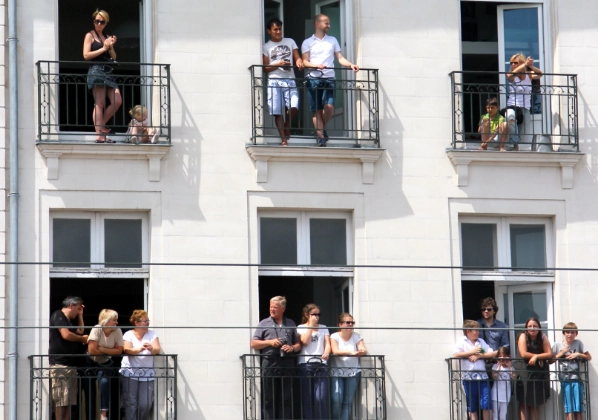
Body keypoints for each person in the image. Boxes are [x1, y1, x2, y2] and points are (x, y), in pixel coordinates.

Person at [301, 14, 359, 147]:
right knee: (316, 109)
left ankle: (322, 127)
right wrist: (316, 65)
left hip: (329, 78)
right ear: (317, 24)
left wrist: (350, 65)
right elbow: (305, 61)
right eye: (326, 23)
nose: (329, 25)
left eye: (329, 23)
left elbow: (340, 58)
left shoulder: (332, 40)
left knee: (329, 107)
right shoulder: (307, 42)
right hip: (313, 78)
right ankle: (321, 137)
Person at [250, 296, 301, 420]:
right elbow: (253, 343)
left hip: (287, 362)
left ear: (283, 309)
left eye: (275, 307)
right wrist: (270, 342)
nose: (272, 309)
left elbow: (298, 344)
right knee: (269, 398)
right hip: (270, 362)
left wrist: (292, 348)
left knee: (286, 398)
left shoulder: (291, 323)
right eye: (270, 307)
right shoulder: (263, 323)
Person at [263, 18, 304, 146]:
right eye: (275, 29)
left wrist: (299, 61)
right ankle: (283, 139)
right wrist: (278, 64)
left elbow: (297, 57)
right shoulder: (266, 46)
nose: (278, 31)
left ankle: (287, 124)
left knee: (294, 106)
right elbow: (265, 68)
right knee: (277, 111)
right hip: (274, 80)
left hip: (290, 79)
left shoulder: (290, 41)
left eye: (280, 29)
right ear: (269, 31)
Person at [83, 9, 122, 143]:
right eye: (97, 21)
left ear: (106, 23)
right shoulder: (90, 35)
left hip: (108, 71)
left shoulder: (106, 36)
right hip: (96, 70)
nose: (99, 24)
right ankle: (99, 135)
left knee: (117, 101)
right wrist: (104, 48)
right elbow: (86, 55)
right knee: (99, 103)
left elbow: (114, 57)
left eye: (102, 22)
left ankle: (100, 127)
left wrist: (110, 47)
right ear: (94, 21)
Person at [49, 296, 89, 420]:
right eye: (77, 309)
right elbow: (66, 335)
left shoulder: (69, 321)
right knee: (62, 401)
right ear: (70, 306)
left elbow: (80, 331)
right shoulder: (58, 315)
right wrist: (82, 339)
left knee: (69, 402)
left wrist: (81, 315)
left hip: (70, 365)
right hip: (60, 365)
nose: (78, 312)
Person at [120, 310, 161, 420]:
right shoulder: (128, 334)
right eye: (145, 321)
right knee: (131, 403)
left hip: (147, 374)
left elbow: (157, 349)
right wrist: (140, 349)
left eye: (148, 321)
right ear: (136, 323)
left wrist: (151, 348)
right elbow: (127, 350)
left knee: (145, 403)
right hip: (130, 372)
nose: (147, 323)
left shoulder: (152, 334)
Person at [453, 319, 497, 420]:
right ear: (468, 331)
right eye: (475, 330)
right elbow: (456, 354)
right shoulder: (463, 341)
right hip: (469, 378)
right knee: (472, 405)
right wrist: (471, 352)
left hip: (483, 377)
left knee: (486, 403)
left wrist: (479, 356)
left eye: (478, 330)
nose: (478, 332)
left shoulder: (480, 342)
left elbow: (491, 353)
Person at [86, 309, 124, 420]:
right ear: (106, 321)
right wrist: (110, 350)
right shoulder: (97, 329)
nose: (116, 322)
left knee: (104, 383)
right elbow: (92, 350)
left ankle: (103, 415)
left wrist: (101, 348)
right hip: (90, 362)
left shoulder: (117, 331)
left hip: (105, 362)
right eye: (114, 320)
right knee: (89, 389)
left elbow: (119, 351)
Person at [551, 322, 592, 420]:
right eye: (567, 332)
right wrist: (561, 353)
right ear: (564, 333)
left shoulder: (578, 343)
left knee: (578, 407)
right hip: (565, 379)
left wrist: (577, 354)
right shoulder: (557, 345)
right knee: (568, 407)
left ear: (576, 334)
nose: (570, 334)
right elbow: (550, 360)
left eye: (572, 332)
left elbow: (589, 357)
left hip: (576, 379)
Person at [330, 312, 367, 420]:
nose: (350, 324)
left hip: (353, 372)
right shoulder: (334, 336)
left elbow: (363, 349)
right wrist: (351, 352)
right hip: (337, 372)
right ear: (340, 324)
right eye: (348, 322)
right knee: (337, 399)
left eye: (352, 322)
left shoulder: (357, 336)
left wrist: (361, 351)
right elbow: (335, 351)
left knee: (347, 402)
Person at [297, 303, 331, 419]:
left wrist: (326, 352)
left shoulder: (324, 327)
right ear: (307, 315)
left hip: (321, 364)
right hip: (306, 364)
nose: (316, 317)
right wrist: (310, 326)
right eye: (314, 314)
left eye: (318, 314)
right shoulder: (301, 328)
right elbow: (305, 341)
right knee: (307, 397)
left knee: (320, 397)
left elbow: (327, 344)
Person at [504, 53, 543, 150]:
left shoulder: (529, 75)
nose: (512, 65)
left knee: (522, 129)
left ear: (520, 62)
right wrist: (524, 65)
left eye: (515, 62)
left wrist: (530, 66)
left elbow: (540, 74)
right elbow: (509, 76)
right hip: (512, 106)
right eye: (511, 63)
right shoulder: (512, 76)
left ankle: (515, 145)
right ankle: (514, 145)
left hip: (525, 108)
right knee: (511, 121)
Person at [516, 317, 552, 420]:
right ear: (526, 328)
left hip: (539, 372)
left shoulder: (543, 337)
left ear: (539, 327)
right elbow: (523, 353)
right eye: (530, 326)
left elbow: (549, 354)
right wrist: (537, 356)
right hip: (524, 372)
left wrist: (536, 357)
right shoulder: (522, 336)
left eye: (535, 326)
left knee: (536, 402)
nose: (532, 328)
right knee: (524, 401)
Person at [491, 346, 516, 420]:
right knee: (495, 414)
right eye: (500, 356)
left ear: (508, 356)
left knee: (503, 415)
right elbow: (494, 376)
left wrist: (510, 367)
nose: (502, 358)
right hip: (496, 394)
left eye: (504, 356)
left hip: (505, 395)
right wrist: (498, 366)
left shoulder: (510, 367)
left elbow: (514, 377)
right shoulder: (495, 366)